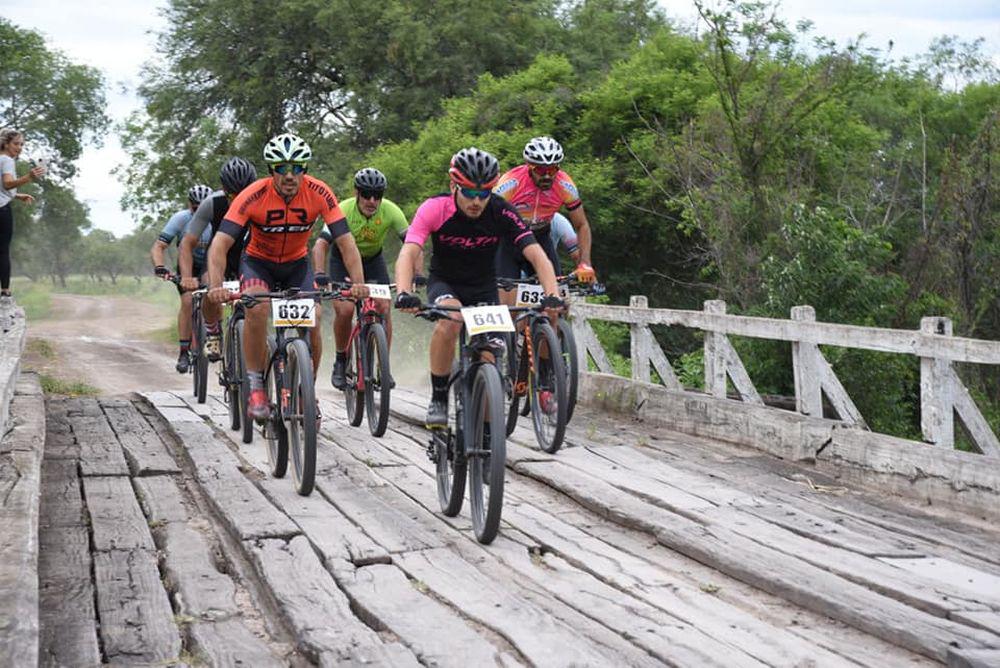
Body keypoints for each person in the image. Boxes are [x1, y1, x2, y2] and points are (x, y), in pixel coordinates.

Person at [394, 147, 562, 427]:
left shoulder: (501, 211)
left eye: (483, 194)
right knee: (451, 320)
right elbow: (409, 252)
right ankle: (438, 397)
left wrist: (552, 294)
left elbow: (536, 254)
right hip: (446, 283)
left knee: (489, 359)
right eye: (469, 193)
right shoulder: (435, 208)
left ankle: (485, 437)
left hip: (484, 288)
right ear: (453, 186)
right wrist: (403, 291)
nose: (476, 201)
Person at [205, 133, 367, 422]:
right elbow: (219, 244)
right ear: (271, 171)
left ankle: (307, 390)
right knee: (256, 307)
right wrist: (216, 286)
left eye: (297, 167)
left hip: (296, 265)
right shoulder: (252, 195)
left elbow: (346, 242)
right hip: (257, 263)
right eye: (282, 168)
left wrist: (358, 283)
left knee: (314, 316)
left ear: (305, 169)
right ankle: (256, 386)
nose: (290, 175)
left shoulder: (319, 192)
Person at [311, 167, 416, 389]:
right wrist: (320, 274)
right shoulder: (343, 209)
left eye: (377, 195)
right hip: (342, 263)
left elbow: (412, 244)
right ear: (356, 193)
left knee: (384, 307)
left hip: (372, 263)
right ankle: (340, 360)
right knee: (346, 310)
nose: (372, 200)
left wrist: (417, 274)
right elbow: (321, 245)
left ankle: (382, 367)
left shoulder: (391, 211)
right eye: (366, 194)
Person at [493, 136, 597, 294]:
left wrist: (585, 263)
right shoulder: (511, 183)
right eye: (541, 170)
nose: (547, 176)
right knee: (507, 302)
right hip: (510, 241)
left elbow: (581, 225)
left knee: (557, 299)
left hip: (540, 239)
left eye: (553, 170)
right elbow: (487, 218)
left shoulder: (565, 186)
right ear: (529, 166)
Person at [178, 157, 258, 361]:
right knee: (208, 286)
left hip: (250, 255)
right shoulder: (211, 203)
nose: (238, 199)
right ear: (223, 189)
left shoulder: (262, 200)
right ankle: (213, 330)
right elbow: (187, 243)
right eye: (233, 194)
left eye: (244, 193)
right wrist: (187, 277)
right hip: (219, 254)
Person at [150, 184, 213, 372]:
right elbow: (158, 246)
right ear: (189, 205)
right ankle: (184, 351)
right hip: (187, 266)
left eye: (204, 208)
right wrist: (160, 267)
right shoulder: (180, 219)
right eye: (195, 208)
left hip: (209, 264)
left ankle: (213, 334)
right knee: (187, 300)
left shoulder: (217, 219)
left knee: (212, 290)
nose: (199, 212)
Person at [0, 129, 46, 303]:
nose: (19, 148)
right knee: (3, 251)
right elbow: (7, 183)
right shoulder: (7, 160)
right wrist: (29, 177)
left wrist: (17, 196)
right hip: (2, 210)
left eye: (22, 145)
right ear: (5, 143)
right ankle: (5, 292)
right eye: (16, 144)